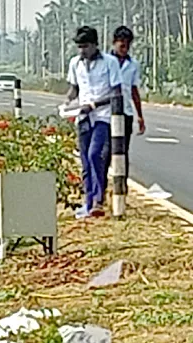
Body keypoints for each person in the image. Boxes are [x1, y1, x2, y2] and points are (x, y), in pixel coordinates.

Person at [66, 26, 122, 218]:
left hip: (103, 116)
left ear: (95, 45)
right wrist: (67, 103)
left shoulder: (110, 63)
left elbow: (116, 93)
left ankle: (98, 199)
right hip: (82, 116)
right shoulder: (75, 63)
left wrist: (95, 104)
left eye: (86, 46)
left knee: (95, 154)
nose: (82, 50)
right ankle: (88, 202)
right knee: (84, 161)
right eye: (79, 47)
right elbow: (74, 88)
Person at [108, 26, 146, 185]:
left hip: (126, 112)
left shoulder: (133, 65)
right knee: (107, 151)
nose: (124, 49)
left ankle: (121, 186)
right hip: (107, 112)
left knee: (123, 151)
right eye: (121, 45)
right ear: (114, 43)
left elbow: (134, 90)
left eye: (127, 45)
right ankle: (104, 187)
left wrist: (140, 116)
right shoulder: (105, 62)